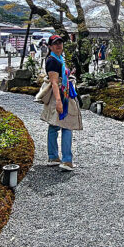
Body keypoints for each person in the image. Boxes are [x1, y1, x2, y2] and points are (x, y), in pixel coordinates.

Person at [41, 35, 82, 171]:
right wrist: (59, 102)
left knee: (54, 126)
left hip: (61, 94)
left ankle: (53, 157)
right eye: (55, 43)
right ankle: (66, 160)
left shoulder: (58, 58)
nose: (58, 45)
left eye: (60, 43)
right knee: (67, 125)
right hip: (59, 96)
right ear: (50, 46)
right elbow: (54, 82)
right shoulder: (52, 61)